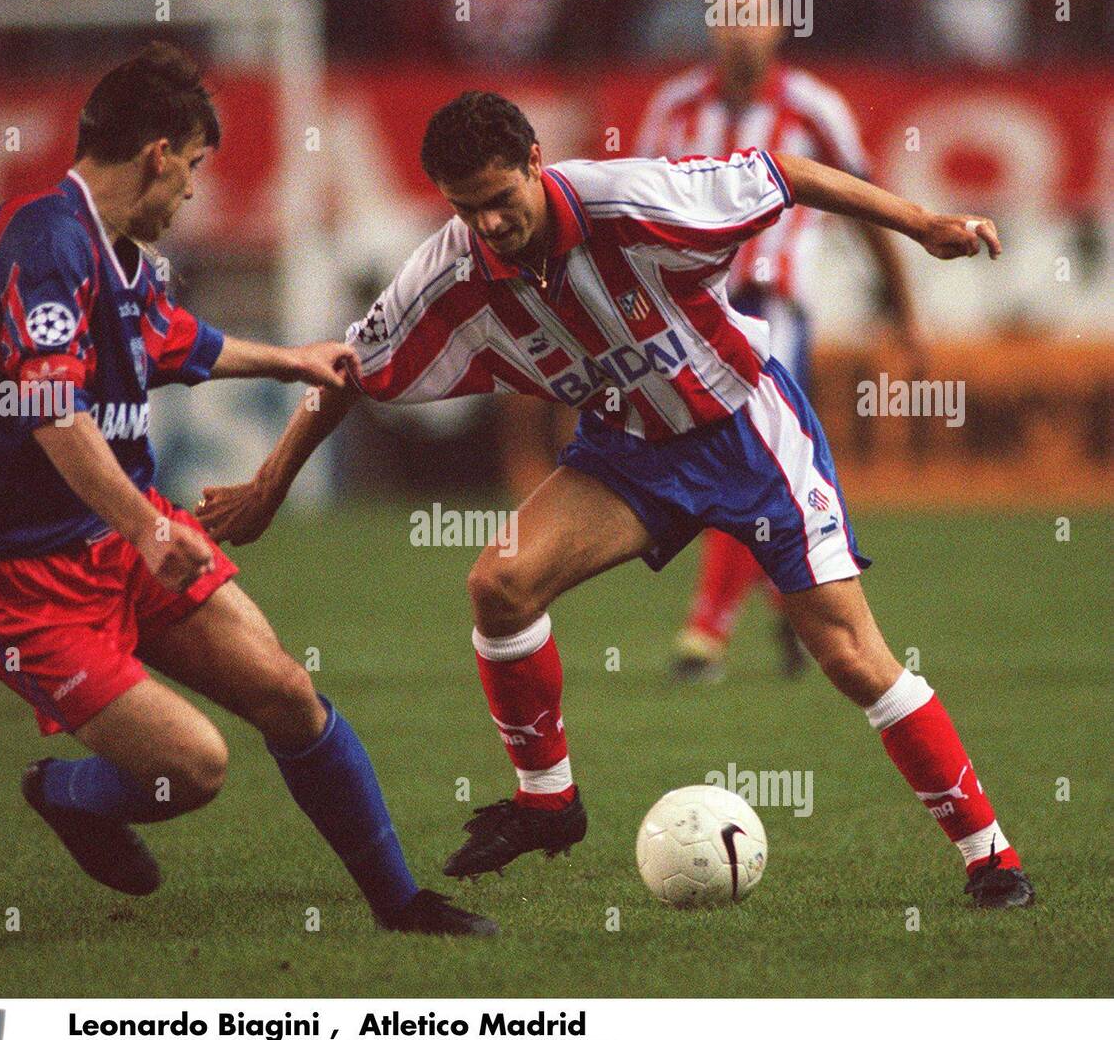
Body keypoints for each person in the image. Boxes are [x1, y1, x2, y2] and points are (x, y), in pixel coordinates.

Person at [198, 91, 1034, 909]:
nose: (486, 225)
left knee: (852, 658)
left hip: (745, 432)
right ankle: (549, 803)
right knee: (499, 585)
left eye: (497, 200)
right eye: (466, 208)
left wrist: (923, 223)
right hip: (628, 451)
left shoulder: (633, 199)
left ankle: (989, 856)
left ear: (535, 162)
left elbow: (784, 174)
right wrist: (271, 488)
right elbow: (344, 370)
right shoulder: (447, 270)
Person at [0, 43, 496, 936]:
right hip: (16, 576)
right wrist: (150, 533)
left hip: (119, 536)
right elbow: (54, 415)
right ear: (157, 153)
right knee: (190, 769)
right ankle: (65, 793)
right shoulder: (40, 244)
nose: (193, 189)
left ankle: (402, 904)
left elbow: (177, 344)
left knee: (284, 690)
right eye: (192, 167)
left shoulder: (124, 257)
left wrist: (291, 357)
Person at [636, 0, 926, 682]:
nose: (742, 30)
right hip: (690, 312)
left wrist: (905, 310)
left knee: (743, 445)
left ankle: (706, 629)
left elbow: (865, 205)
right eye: (729, 13)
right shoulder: (673, 107)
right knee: (748, 461)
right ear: (710, 23)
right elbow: (634, 208)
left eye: (757, 12)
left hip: (774, 309)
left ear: (782, 23)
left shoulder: (815, 106)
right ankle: (794, 603)